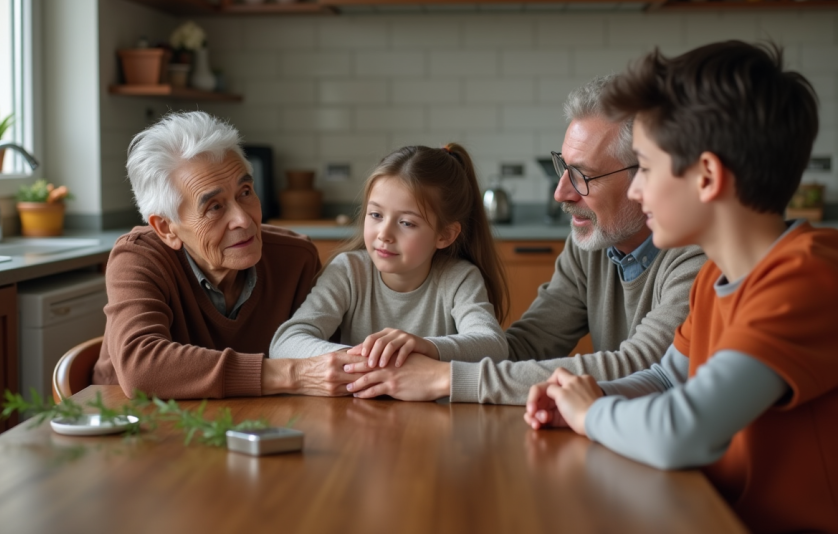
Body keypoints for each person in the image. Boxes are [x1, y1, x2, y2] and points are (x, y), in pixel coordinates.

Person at [524, 41, 838, 533]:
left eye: (646, 168)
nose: (633, 189)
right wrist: (582, 398)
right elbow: (668, 378)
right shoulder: (716, 275)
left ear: (708, 177)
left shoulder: (806, 278)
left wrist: (593, 414)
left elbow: (682, 431)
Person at [343, 76, 705, 403]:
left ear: (644, 174)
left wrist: (449, 379)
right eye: (563, 168)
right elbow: (526, 346)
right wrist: (429, 353)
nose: (561, 193)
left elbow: (644, 367)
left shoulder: (697, 256)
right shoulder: (592, 245)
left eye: (583, 176)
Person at [93, 111, 368, 398]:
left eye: (245, 192)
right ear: (166, 228)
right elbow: (142, 369)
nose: (244, 220)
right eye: (214, 207)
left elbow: (328, 364)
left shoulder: (295, 258)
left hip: (253, 423)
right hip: (131, 422)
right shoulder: (139, 258)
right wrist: (292, 374)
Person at [270, 144, 509, 368]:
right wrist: (364, 361)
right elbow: (284, 343)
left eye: (406, 222)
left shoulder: (459, 278)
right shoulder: (348, 271)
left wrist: (427, 347)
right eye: (376, 215)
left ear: (445, 235)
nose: (384, 234)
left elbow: (494, 345)